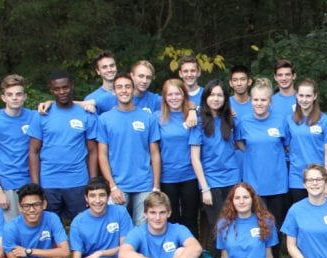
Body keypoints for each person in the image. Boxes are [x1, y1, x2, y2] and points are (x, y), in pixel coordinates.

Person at [29, 70, 98, 222]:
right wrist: (35, 185)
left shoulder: (86, 114)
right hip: (49, 183)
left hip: (78, 182)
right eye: (57, 89)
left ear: (71, 86)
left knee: (82, 226)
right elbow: (33, 151)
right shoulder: (42, 115)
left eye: (65, 87)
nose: (61, 92)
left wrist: (92, 182)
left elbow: (93, 151)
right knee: (48, 228)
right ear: (51, 89)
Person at [97, 73, 162, 226]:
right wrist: (112, 186)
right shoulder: (105, 119)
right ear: (114, 92)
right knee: (114, 226)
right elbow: (102, 155)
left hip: (145, 184)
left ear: (133, 90)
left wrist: (156, 186)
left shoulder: (148, 118)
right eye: (119, 87)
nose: (124, 90)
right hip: (118, 185)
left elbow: (155, 154)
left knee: (144, 227)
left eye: (127, 87)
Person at [236, 77, 291, 253]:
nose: (259, 103)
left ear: (270, 101)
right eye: (256, 100)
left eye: (263, 100)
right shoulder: (243, 121)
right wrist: (253, 154)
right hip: (254, 182)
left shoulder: (280, 119)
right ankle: (258, 255)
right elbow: (239, 143)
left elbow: (286, 145)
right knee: (256, 221)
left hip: (276, 181)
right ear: (251, 101)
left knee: (275, 220)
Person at [191, 80, 241, 231]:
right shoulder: (198, 122)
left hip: (232, 178)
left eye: (220, 95)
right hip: (211, 181)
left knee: (235, 222)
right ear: (205, 97)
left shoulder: (231, 120)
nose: (216, 98)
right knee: (219, 225)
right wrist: (204, 188)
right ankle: (220, 255)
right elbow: (195, 158)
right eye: (212, 94)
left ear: (225, 98)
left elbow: (240, 146)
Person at [0, 74, 34, 221]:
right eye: (10, 94)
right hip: (7, 185)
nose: (14, 98)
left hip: (31, 183)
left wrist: (85, 104)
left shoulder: (34, 117)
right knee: (9, 232)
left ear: (24, 96)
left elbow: (60, 108)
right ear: (3, 98)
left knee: (31, 228)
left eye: (18, 94)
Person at [158, 79, 201, 237]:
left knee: (190, 217)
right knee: (172, 216)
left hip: (189, 175)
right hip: (167, 176)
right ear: (164, 97)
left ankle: (192, 253)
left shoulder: (192, 116)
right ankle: (173, 251)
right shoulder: (158, 118)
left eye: (178, 93)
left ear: (184, 95)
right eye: (170, 94)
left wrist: (192, 110)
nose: (174, 97)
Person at [285, 79, 327, 202]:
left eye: (308, 96)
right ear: (296, 95)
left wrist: (326, 181)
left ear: (315, 96)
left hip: (318, 177)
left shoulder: (325, 121)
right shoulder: (289, 120)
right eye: (301, 95)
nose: (304, 99)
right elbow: (287, 146)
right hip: (297, 177)